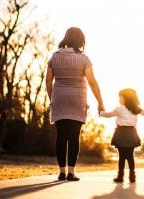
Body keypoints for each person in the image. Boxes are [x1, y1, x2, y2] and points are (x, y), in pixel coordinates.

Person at [46, 27, 104, 181]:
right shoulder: (84, 59)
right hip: (77, 100)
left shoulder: (54, 57)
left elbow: (48, 81)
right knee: (73, 136)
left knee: (61, 136)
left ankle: (61, 172)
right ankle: (71, 172)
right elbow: (92, 82)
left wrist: (52, 98)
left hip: (59, 99)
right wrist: (100, 101)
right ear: (80, 40)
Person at [100, 88, 144, 183]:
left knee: (122, 157)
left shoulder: (120, 109)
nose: (119, 100)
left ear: (125, 98)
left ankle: (120, 177)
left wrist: (101, 113)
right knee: (130, 156)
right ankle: (132, 177)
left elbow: (109, 115)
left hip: (121, 133)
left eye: (120, 98)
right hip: (131, 134)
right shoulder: (136, 109)